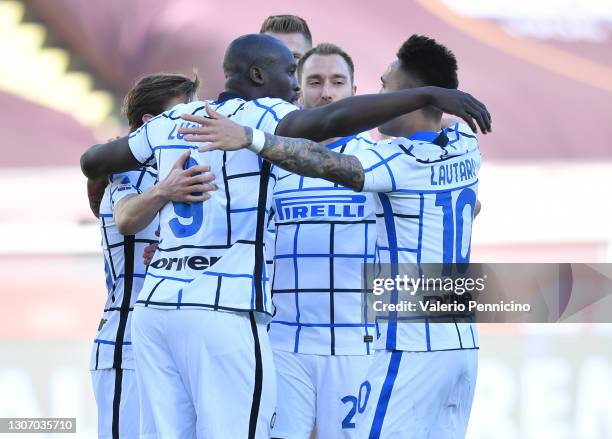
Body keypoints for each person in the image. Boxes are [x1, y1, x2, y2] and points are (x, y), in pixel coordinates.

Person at [80, 33, 490, 438]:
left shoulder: (176, 119)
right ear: (259, 75)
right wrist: (430, 96)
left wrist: (131, 167)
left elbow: (93, 160)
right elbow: (330, 124)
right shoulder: (461, 145)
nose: (296, 86)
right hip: (232, 311)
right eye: (295, 73)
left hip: (159, 308)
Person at [267, 42, 376, 439]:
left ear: (353, 93)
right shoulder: (272, 162)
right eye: (314, 81)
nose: (326, 92)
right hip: (283, 342)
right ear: (298, 91)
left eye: (336, 82)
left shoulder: (380, 162)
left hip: (355, 345)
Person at [90, 73, 200, 439]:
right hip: (126, 351)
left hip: (174, 350)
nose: (195, 121)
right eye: (184, 113)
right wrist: (165, 190)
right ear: (151, 125)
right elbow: (125, 219)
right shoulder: (126, 176)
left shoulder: (187, 175)